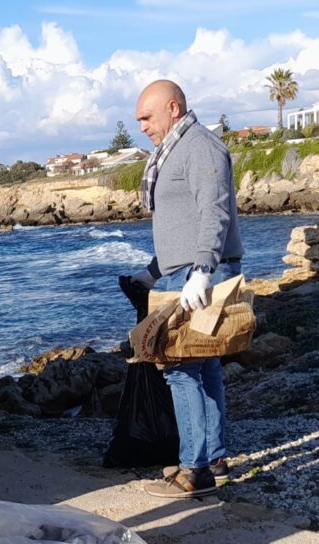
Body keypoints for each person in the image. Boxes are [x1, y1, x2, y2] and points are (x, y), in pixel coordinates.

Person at [130, 79, 244, 498]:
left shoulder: (199, 146)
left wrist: (202, 270)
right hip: (183, 273)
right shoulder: (173, 150)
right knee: (206, 365)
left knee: (179, 369)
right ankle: (214, 458)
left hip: (199, 275)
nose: (142, 126)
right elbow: (183, 224)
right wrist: (153, 272)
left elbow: (214, 212)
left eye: (147, 116)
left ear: (173, 108)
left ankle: (195, 469)